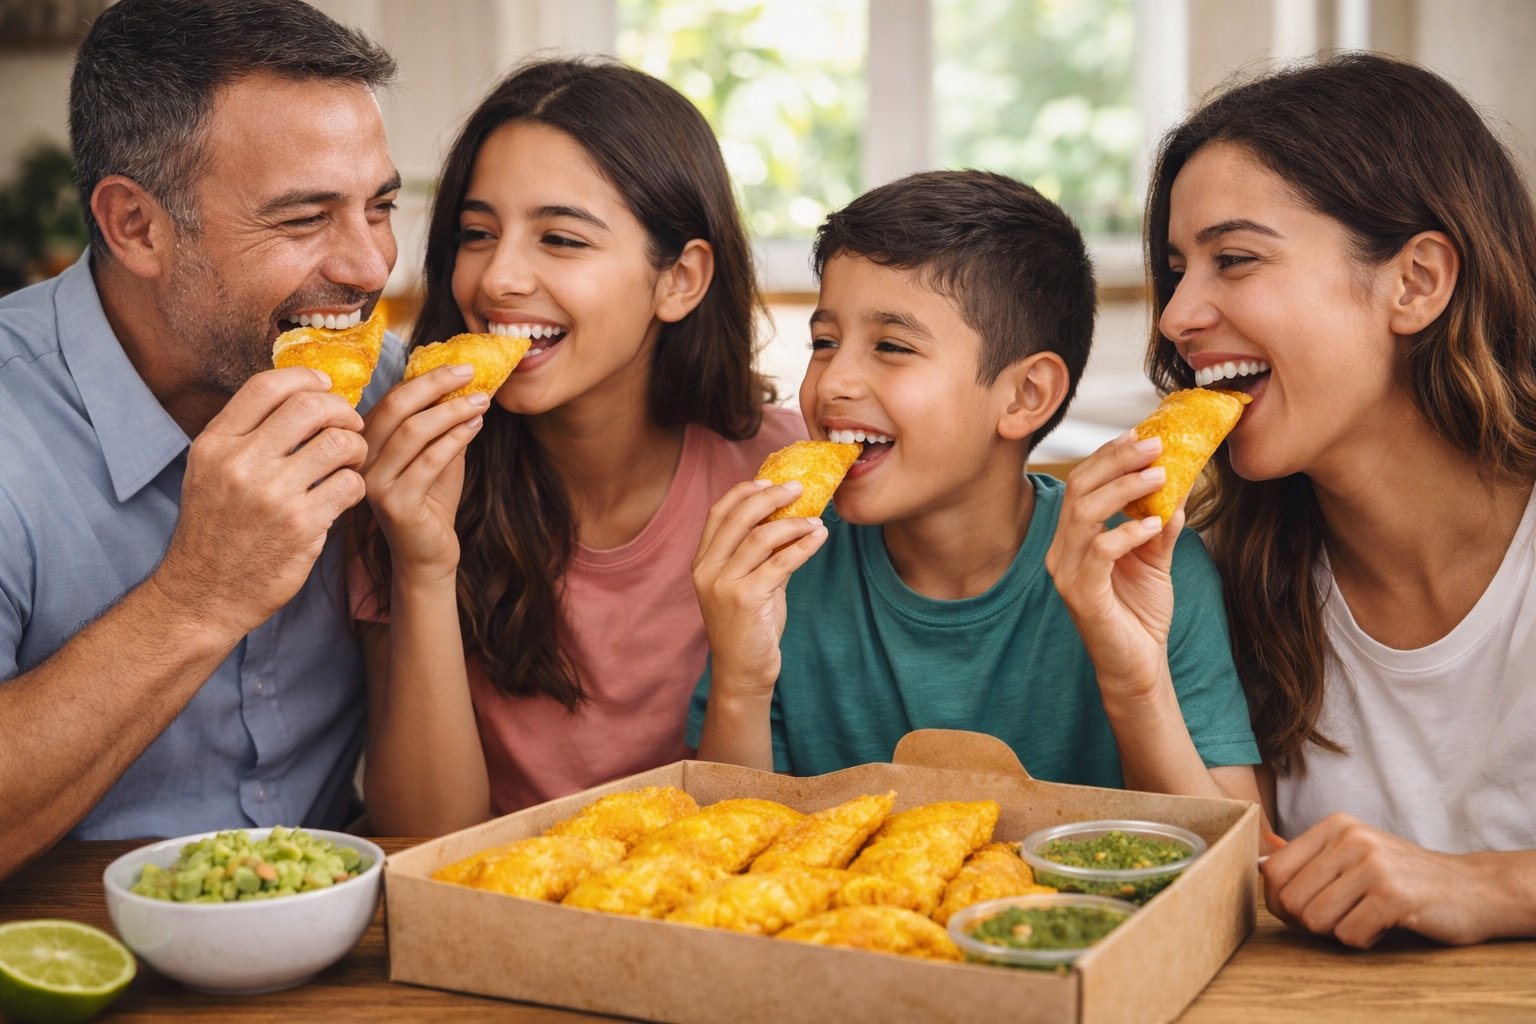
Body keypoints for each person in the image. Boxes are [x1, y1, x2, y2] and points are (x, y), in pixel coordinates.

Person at [688, 169, 1261, 806]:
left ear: (1025, 395)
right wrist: (741, 679)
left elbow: (1235, 840)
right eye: (825, 342)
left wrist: (1135, 682)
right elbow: (723, 839)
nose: (832, 382)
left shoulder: (1144, 567)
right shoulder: (781, 579)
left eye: (891, 346)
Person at [0, 0, 404, 879]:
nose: (372, 265)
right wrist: (199, 597)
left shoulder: (383, 387)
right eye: (304, 218)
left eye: (380, 206)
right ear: (135, 225)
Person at [1140, 52, 1536, 947]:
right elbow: (1237, 888)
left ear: (1416, 282)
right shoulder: (1224, 575)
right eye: (1178, 269)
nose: (1175, 316)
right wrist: (1135, 668)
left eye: (1234, 259)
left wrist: (1489, 886)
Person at [354, 58, 803, 834]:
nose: (498, 279)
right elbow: (423, 841)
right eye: (476, 234)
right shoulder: (408, 468)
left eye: (560, 239)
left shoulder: (782, 484)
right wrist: (423, 565)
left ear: (681, 279)